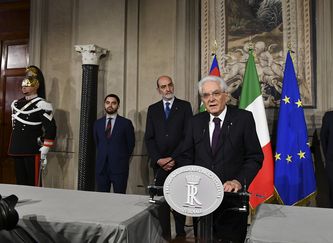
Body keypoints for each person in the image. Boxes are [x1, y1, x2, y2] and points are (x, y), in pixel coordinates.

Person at [179, 75, 263, 242]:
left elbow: (255, 157)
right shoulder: (195, 122)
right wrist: (192, 180)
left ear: (226, 95)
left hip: (232, 200)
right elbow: (185, 156)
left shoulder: (243, 119)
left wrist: (238, 181)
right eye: (206, 95)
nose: (211, 99)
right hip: (201, 198)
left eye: (215, 93)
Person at [144, 75, 192, 239]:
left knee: (179, 198)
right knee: (161, 200)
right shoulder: (153, 109)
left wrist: (173, 159)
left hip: (179, 162)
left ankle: (180, 232)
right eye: (163, 87)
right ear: (159, 90)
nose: (167, 89)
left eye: (170, 85)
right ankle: (164, 233)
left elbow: (188, 136)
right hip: (159, 164)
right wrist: (158, 159)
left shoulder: (185, 106)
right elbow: (149, 138)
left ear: (173, 86)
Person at [8, 66, 56, 186]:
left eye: (27, 85)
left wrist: (46, 147)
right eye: (23, 85)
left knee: (33, 183)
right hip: (17, 148)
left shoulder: (42, 104)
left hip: (32, 148)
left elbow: (51, 128)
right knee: (20, 182)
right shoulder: (16, 104)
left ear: (36, 86)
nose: (24, 87)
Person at [93, 94, 135, 194]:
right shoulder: (97, 123)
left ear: (118, 105)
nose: (110, 105)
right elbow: (97, 143)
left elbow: (130, 145)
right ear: (104, 104)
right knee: (102, 199)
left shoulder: (126, 123)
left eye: (113, 103)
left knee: (119, 198)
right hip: (102, 168)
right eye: (108, 103)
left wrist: (121, 158)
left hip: (119, 168)